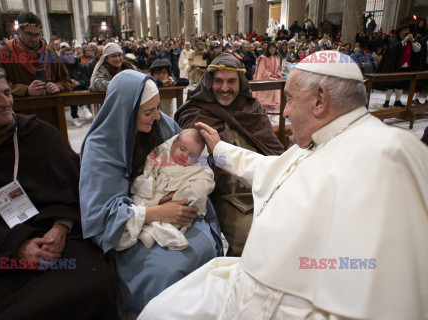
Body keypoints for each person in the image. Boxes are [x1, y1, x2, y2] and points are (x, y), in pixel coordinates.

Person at [139, 51, 428, 319]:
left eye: (290, 99)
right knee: (160, 309)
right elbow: (276, 168)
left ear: (319, 100)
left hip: (298, 302)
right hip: (258, 279)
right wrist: (221, 150)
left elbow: (376, 279)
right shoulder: (330, 135)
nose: (284, 112)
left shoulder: (389, 155)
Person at [0, 62, 118, 319]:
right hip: (1, 252)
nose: (5, 102)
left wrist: (62, 227)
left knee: (94, 284)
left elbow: (82, 192)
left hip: (58, 240)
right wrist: (16, 247)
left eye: (6, 92)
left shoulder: (41, 134)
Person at [79, 70, 222, 317]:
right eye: (148, 111)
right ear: (126, 111)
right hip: (133, 226)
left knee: (205, 247)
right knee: (165, 270)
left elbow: (194, 164)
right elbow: (100, 216)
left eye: (157, 108)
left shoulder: (162, 124)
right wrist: (157, 212)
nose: (157, 116)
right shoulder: (100, 149)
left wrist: (182, 192)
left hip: (175, 212)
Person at [174, 54, 284, 256]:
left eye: (231, 81)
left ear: (240, 82)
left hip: (264, 181)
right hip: (226, 191)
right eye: (218, 81)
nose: (224, 88)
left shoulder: (251, 108)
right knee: (252, 238)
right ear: (209, 82)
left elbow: (272, 149)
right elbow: (194, 163)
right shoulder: (195, 113)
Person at [127, 128, 215, 251]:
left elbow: (204, 185)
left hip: (175, 201)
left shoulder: (198, 169)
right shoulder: (162, 153)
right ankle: (144, 225)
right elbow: (149, 167)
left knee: (180, 217)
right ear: (173, 144)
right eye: (182, 149)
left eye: (192, 155)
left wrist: (179, 196)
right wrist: (145, 184)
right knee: (138, 203)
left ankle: (153, 232)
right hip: (153, 193)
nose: (184, 156)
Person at [0, 12, 72, 97]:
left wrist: (58, 86)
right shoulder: (5, 53)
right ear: (19, 31)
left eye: (37, 35)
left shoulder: (50, 53)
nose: (34, 39)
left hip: (50, 105)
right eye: (29, 34)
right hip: (20, 107)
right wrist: (25, 90)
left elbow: (66, 81)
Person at [376, 24, 421, 108]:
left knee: (401, 85)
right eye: (404, 30)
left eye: (408, 30)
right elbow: (392, 48)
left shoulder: (411, 41)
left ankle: (397, 101)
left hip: (406, 66)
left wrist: (412, 41)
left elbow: (417, 49)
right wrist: (403, 42)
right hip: (394, 66)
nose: (407, 32)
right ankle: (387, 100)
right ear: (400, 32)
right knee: (390, 84)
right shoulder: (395, 40)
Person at [61, 48, 92, 127]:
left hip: (81, 86)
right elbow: (60, 79)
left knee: (77, 89)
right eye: (67, 54)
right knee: (73, 92)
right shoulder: (62, 67)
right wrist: (70, 82)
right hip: (68, 88)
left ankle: (77, 115)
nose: (70, 56)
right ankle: (83, 108)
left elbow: (86, 80)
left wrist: (78, 82)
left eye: (71, 54)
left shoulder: (80, 65)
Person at [253, 42, 283, 112]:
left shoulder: (277, 57)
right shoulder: (263, 58)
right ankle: (266, 102)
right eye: (270, 48)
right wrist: (271, 75)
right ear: (268, 49)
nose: (272, 49)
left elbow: (278, 68)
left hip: (275, 76)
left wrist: (278, 73)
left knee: (279, 80)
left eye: (273, 48)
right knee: (274, 81)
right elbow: (262, 71)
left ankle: (275, 102)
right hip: (266, 77)